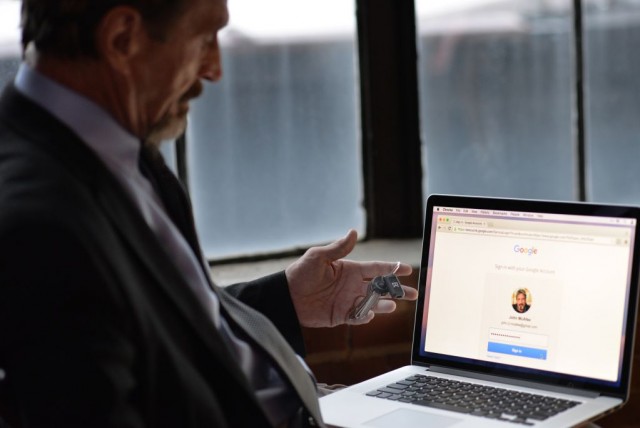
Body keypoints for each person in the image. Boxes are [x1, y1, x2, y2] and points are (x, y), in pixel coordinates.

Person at [0, 0, 417, 426]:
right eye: (204, 39)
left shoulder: (113, 145)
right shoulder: (40, 228)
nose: (215, 69)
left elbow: (158, 330)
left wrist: (287, 299)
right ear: (122, 38)